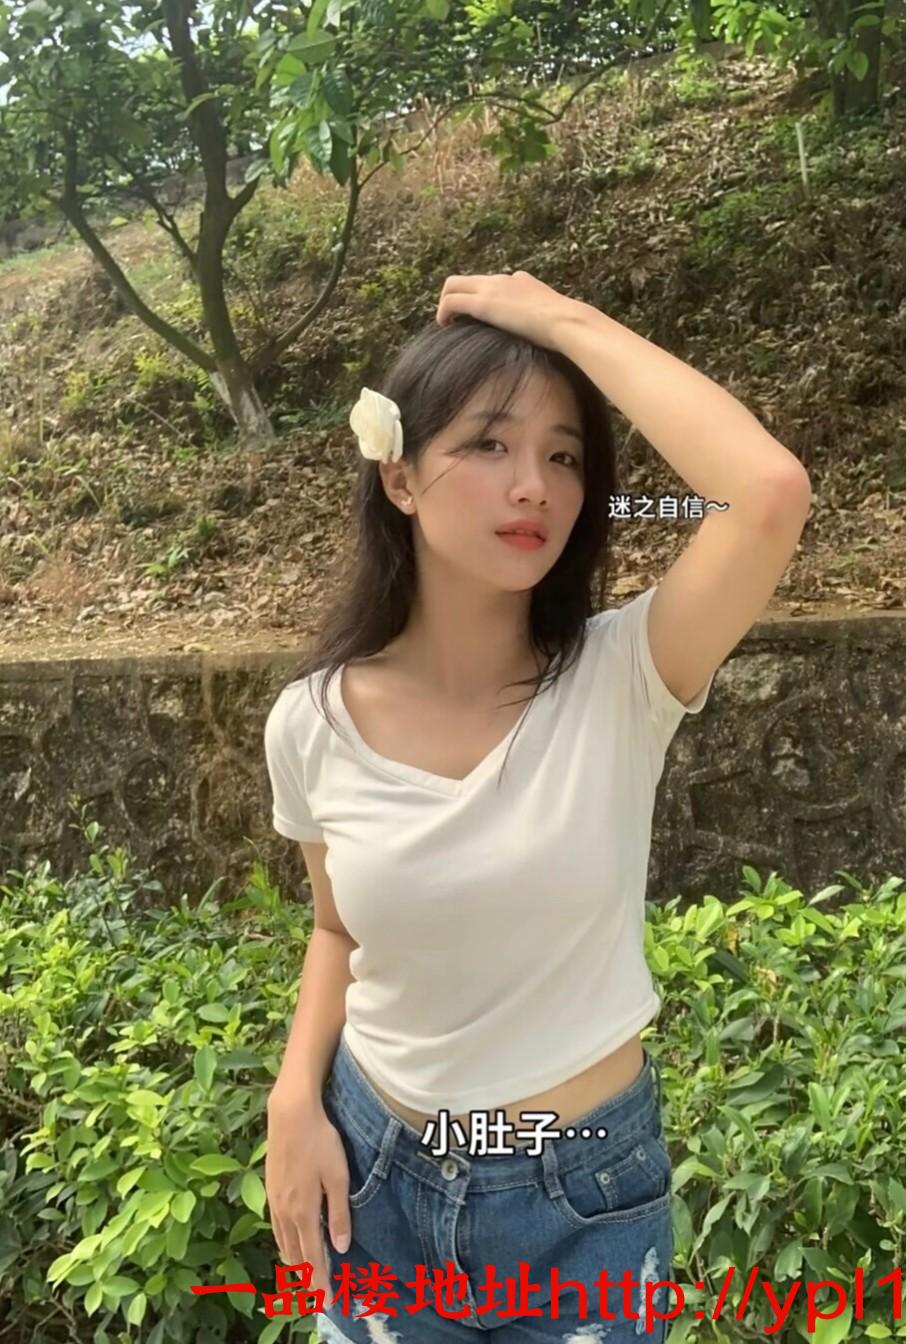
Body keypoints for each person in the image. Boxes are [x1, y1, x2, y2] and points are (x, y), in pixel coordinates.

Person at [262, 270, 812, 1342]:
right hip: (373, 1178)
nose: (534, 487)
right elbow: (336, 928)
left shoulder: (624, 677)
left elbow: (764, 491)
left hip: (582, 1198)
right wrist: (294, 1100)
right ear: (399, 476)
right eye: (489, 444)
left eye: (564, 456)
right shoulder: (311, 721)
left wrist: (555, 317)